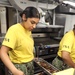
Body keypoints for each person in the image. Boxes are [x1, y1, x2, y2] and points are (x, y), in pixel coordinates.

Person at [0, 6, 40, 75]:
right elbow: (3, 53)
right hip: (19, 68)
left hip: (30, 65)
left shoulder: (28, 30)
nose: (34, 26)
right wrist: (14, 70)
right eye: (32, 22)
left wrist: (32, 57)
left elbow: (24, 47)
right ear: (24, 17)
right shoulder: (14, 30)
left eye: (36, 23)